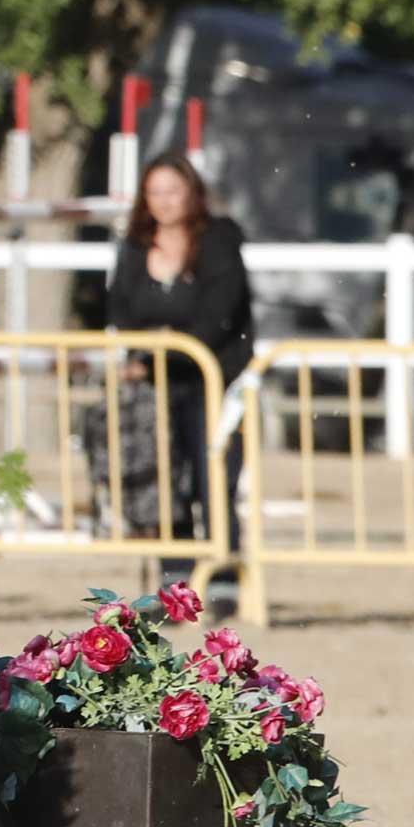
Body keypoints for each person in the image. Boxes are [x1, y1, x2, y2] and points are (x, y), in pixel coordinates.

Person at [107, 152, 252, 575]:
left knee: (215, 481)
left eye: (173, 191)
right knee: (165, 480)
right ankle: (175, 579)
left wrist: (160, 348)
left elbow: (218, 317)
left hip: (215, 378)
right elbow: (120, 309)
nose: (164, 201)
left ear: (192, 193)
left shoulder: (220, 240)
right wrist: (148, 354)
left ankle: (223, 576)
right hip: (157, 384)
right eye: (155, 192)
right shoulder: (135, 246)